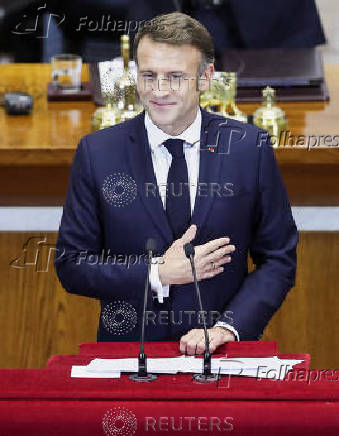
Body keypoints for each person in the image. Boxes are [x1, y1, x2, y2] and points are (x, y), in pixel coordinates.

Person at [54, 12, 298, 355]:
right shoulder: (98, 152)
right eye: (149, 75)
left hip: (222, 357)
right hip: (129, 357)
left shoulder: (248, 148)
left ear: (205, 78)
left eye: (176, 77)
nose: (159, 91)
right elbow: (72, 264)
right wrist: (158, 273)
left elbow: (278, 258)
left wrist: (228, 328)